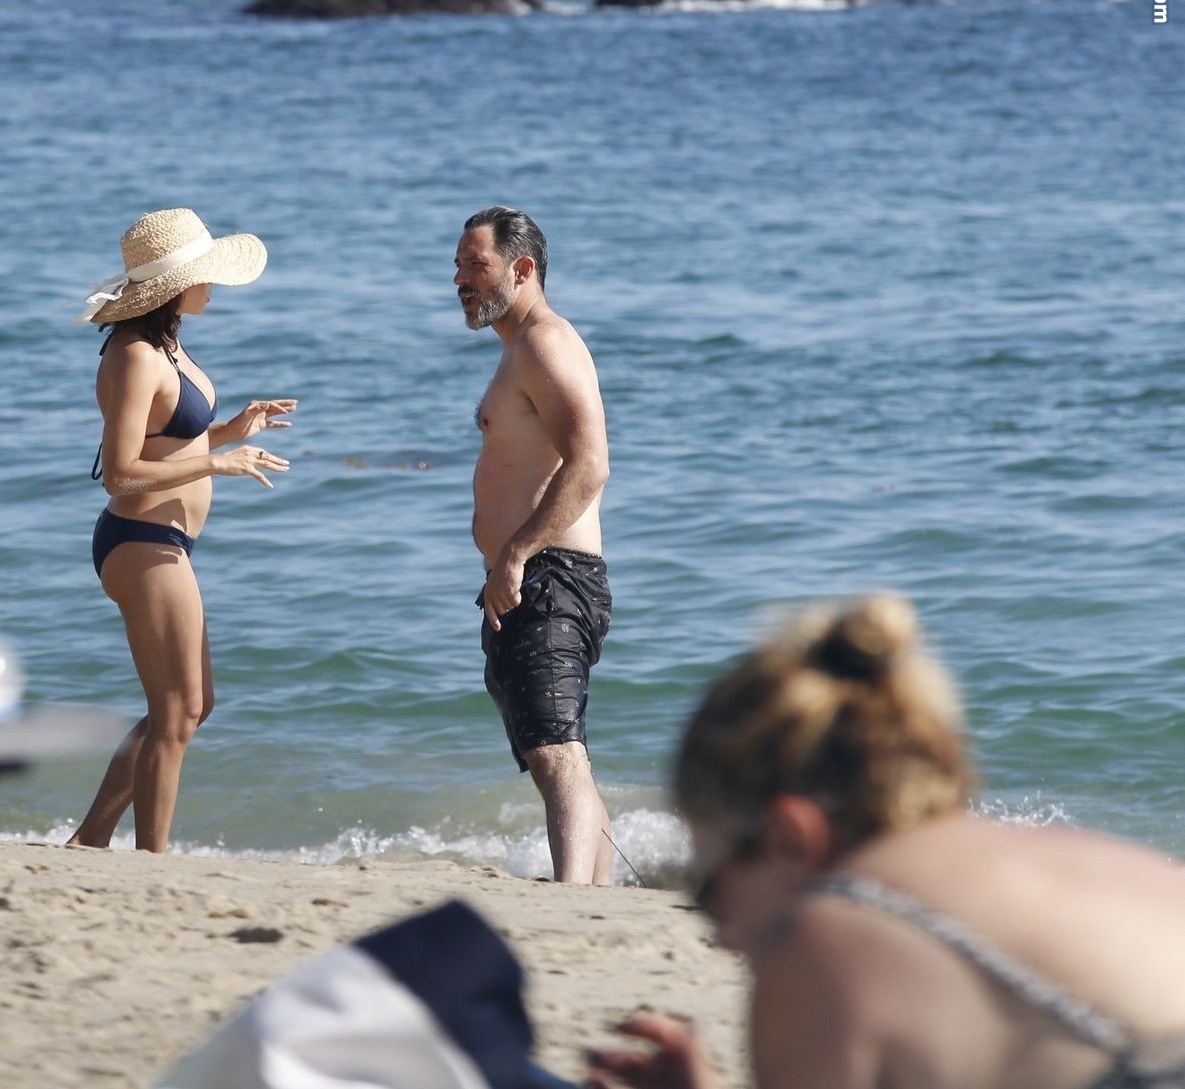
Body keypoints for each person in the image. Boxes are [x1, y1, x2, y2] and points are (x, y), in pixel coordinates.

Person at [586, 594, 1185, 1089]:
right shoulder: (1096, 862)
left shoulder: (830, 935)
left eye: (708, 891)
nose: (719, 935)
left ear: (790, 838)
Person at [66, 208, 295, 854]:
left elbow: (165, 444)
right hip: (140, 542)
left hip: (164, 544)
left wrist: (230, 431)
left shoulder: (165, 344)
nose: (213, 286)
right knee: (176, 712)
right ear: (175, 285)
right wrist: (218, 462)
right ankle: (153, 859)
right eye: (205, 275)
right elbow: (120, 473)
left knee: (193, 706)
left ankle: (91, 837)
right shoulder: (135, 356)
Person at [456, 204, 615, 884]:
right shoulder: (517, 352)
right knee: (556, 748)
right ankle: (598, 893)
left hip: (549, 574)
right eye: (457, 266)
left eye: (476, 265)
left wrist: (517, 556)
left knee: (555, 751)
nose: (460, 280)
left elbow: (591, 463)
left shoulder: (546, 343)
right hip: (529, 577)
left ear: (522, 269)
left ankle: (571, 899)